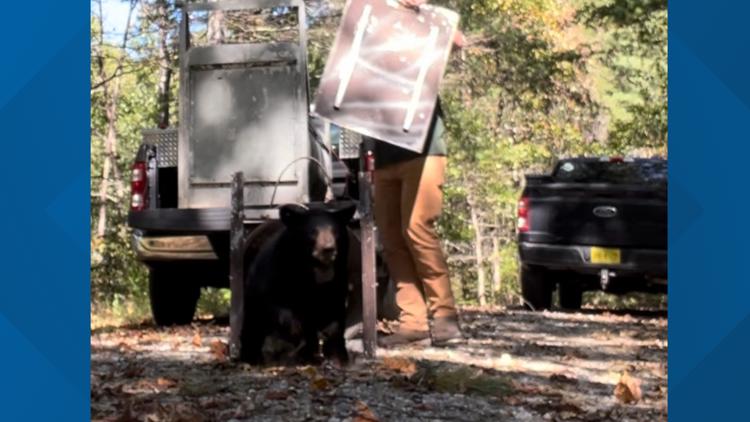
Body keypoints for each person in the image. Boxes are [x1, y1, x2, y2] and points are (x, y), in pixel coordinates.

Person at [371, 0, 465, 347]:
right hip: (384, 150)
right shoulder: (372, 30)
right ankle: (413, 321)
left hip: (424, 147)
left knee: (418, 228)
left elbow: (457, 41)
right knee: (392, 238)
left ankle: (445, 317)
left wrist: (420, 11)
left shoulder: (424, 23)